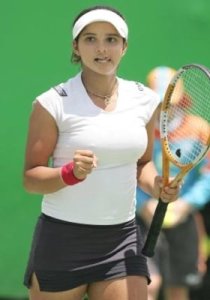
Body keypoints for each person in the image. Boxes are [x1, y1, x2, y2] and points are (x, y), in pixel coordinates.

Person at [23, 6, 180, 300]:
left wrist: (156, 184)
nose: (102, 48)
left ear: (124, 47)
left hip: (121, 239)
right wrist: (69, 173)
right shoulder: (51, 103)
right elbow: (31, 178)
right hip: (62, 240)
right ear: (76, 46)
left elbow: (142, 163)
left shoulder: (145, 99)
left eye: (111, 39)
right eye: (90, 39)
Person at [136, 66, 208, 300]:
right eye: (159, 102)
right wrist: (143, 204)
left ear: (182, 100)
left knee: (178, 288)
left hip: (183, 220)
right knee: (147, 284)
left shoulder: (200, 130)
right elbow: (127, 173)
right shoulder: (137, 132)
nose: (165, 108)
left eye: (171, 101)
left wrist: (186, 204)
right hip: (142, 219)